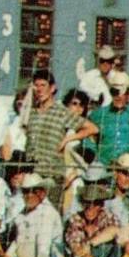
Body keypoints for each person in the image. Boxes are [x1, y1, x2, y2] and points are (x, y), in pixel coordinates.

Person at [25, 69, 98, 203]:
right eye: (37, 85)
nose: (39, 89)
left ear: (52, 88)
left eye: (43, 85)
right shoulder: (33, 113)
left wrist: (68, 139)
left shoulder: (61, 112)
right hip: (33, 172)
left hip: (53, 175)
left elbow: (92, 128)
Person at [4, 173, 67, 257]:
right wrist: (8, 256)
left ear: (42, 193)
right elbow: (19, 238)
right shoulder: (22, 214)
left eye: (33, 191)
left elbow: (44, 244)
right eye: (25, 191)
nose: (28, 195)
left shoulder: (48, 212)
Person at [64, 182, 122, 257]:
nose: (90, 208)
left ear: (101, 205)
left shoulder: (109, 217)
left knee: (114, 246)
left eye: (94, 204)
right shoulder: (75, 219)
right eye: (86, 203)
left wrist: (90, 242)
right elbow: (77, 249)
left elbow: (115, 231)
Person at [88, 71, 129, 168]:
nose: (118, 97)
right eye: (114, 92)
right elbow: (88, 135)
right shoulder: (99, 114)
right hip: (104, 166)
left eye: (122, 93)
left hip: (126, 169)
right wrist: (93, 155)